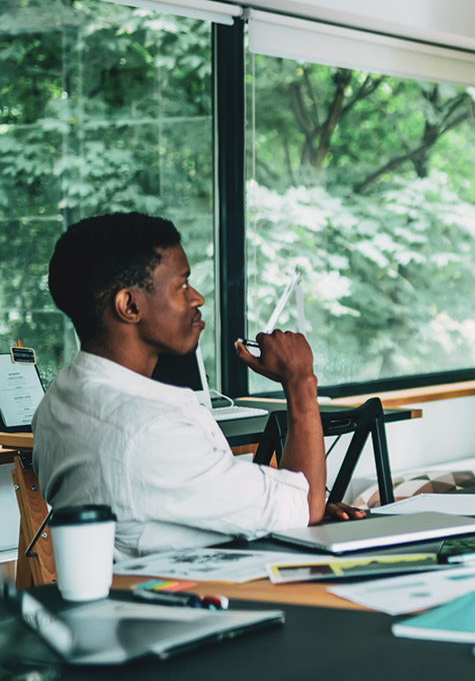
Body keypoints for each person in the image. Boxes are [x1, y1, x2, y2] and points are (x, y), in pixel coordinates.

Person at [32, 212, 364, 558]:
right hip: (210, 598)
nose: (197, 298)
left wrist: (282, 507)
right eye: (182, 285)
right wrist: (300, 382)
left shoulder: (57, 403)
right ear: (129, 305)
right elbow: (307, 506)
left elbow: (173, 500)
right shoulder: (150, 428)